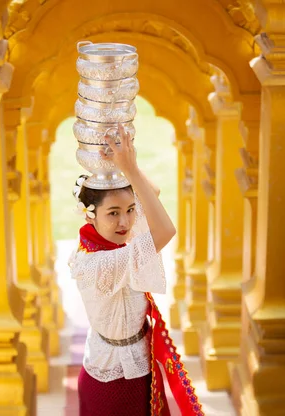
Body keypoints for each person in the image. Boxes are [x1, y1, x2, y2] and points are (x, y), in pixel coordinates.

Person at [69, 125, 204, 416]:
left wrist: (126, 165)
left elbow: (150, 192)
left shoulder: (114, 244)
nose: (125, 222)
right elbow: (166, 230)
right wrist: (128, 169)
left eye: (130, 210)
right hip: (111, 377)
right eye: (113, 213)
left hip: (140, 365)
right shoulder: (99, 264)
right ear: (89, 216)